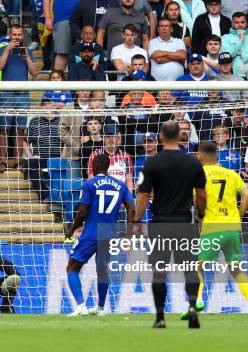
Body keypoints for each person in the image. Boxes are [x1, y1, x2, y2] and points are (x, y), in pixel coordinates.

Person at [132, 120, 207, 328]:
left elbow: (143, 196)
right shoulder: (193, 163)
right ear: (181, 136)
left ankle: (160, 317)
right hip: (185, 222)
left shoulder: (152, 163)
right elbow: (201, 195)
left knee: (159, 270)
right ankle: (192, 306)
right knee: (190, 269)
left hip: (160, 223)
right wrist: (200, 214)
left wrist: (137, 220)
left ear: (161, 137)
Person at [194, 142, 248, 319]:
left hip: (212, 227)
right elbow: (247, 194)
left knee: (196, 267)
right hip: (232, 228)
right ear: (216, 156)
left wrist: (198, 218)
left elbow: (197, 199)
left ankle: (198, 300)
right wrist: (238, 215)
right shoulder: (231, 174)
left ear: (200, 156)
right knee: (237, 269)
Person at [64, 154, 135, 316]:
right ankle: (101, 308)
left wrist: (72, 229)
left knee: (72, 267)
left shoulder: (89, 184)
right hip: (109, 235)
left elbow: (82, 212)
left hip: (90, 233)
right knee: (102, 270)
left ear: (95, 167)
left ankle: (81, 306)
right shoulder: (120, 185)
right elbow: (131, 208)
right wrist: (129, 235)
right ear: (108, 167)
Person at [0, 24, 37, 172]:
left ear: (23, 36)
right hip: (6, 94)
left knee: (20, 130)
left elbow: (34, 72)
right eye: (14, 35)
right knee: (4, 130)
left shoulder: (28, 51)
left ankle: (19, 162)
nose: (17, 38)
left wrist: (27, 57)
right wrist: (7, 49)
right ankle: (3, 162)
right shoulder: (2, 49)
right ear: (9, 35)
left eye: (19, 35)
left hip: (23, 95)